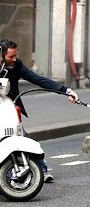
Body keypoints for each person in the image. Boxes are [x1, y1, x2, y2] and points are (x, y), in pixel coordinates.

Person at [0, 38, 79, 183]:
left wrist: (65, 90)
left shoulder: (17, 66)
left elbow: (36, 79)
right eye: (11, 56)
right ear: (1, 56)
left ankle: (41, 170)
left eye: (15, 55)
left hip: (9, 110)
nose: (14, 59)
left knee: (21, 137)